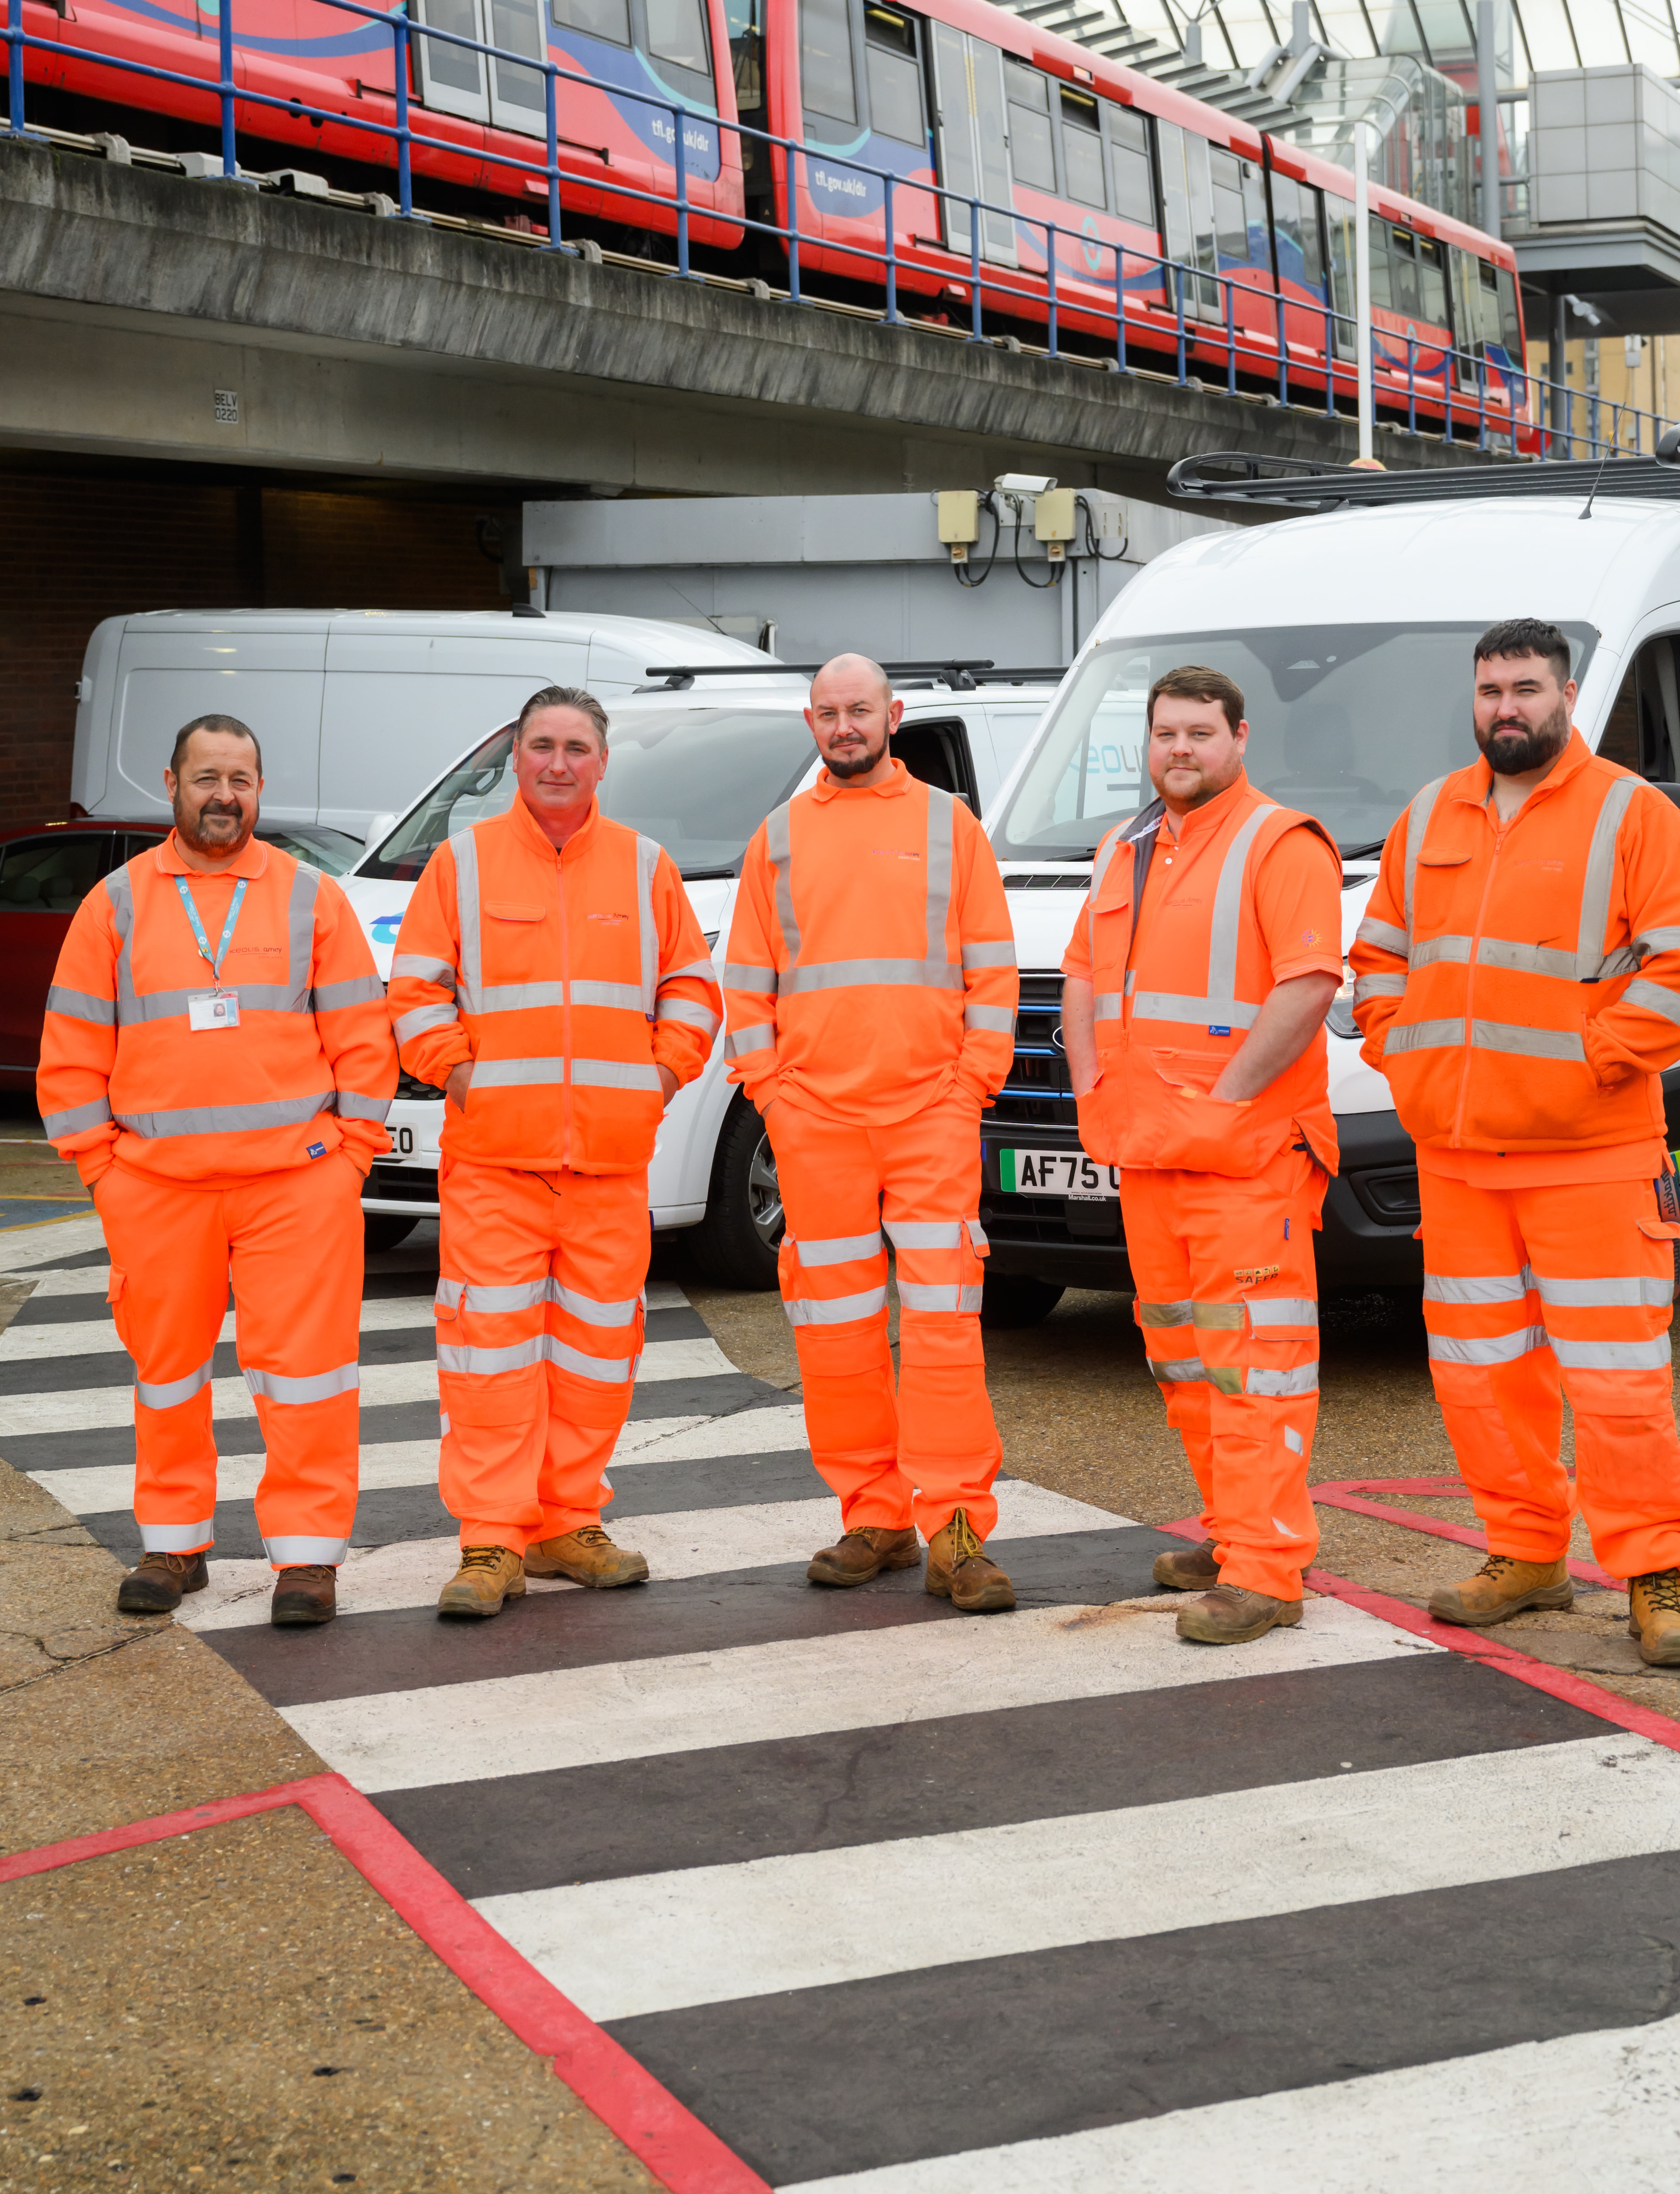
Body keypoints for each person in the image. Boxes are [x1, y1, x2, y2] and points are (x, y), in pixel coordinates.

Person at [1348, 615, 1680, 1668]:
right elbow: (1377, 952)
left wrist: (1586, 1063)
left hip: (1592, 1156)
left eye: (1525, 687)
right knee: (1481, 1375)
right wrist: (1403, 1055)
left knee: (1618, 1381)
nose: (1505, 707)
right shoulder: (1431, 813)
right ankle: (1525, 1550)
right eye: (1489, 690)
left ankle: (1658, 1573)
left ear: (1567, 695)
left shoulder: (1633, 813)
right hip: (1461, 1158)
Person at [37, 714, 397, 1629]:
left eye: (241, 779)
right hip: (156, 1189)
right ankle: (174, 1544)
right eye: (207, 778)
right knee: (167, 1373)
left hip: (295, 1186)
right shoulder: (114, 905)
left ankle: (308, 1560)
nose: (224, 796)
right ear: (171, 783)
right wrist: (103, 1173)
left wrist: (348, 1158)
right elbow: (71, 1055)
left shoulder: (312, 899)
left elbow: (363, 1044)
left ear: (260, 790)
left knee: (308, 1375)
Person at [387, 686, 722, 1621]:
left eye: (577, 745)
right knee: (488, 1358)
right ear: (516, 759)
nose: (559, 762)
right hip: (496, 1164)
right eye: (542, 745)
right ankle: (491, 1539)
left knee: (594, 1359)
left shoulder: (645, 867)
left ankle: (566, 1520)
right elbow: (415, 988)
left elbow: (693, 989)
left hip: (610, 1169)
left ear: (604, 762)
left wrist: (659, 1079)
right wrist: (456, 1074)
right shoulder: (463, 864)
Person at [722, 652, 1019, 1609]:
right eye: (827, 714)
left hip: (930, 1114)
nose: (844, 727)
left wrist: (971, 1084)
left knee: (943, 1331)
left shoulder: (948, 825)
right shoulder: (774, 841)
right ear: (809, 724)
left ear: (892, 715)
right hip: (816, 1126)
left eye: (859, 711)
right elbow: (747, 985)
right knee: (835, 1330)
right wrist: (773, 1094)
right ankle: (875, 1515)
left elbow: (993, 971)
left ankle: (958, 1528)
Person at [1062, 664, 1343, 1646]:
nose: (1179, 750)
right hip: (1149, 1156)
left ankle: (1267, 1571)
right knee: (1185, 1362)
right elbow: (1084, 976)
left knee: (1253, 1364)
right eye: (1165, 734)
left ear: (1239, 737)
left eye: (1199, 734)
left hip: (1244, 1160)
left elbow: (1308, 985)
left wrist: (1222, 1104)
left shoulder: (1280, 841)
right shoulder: (1128, 846)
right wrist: (1092, 1086)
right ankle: (1233, 1534)